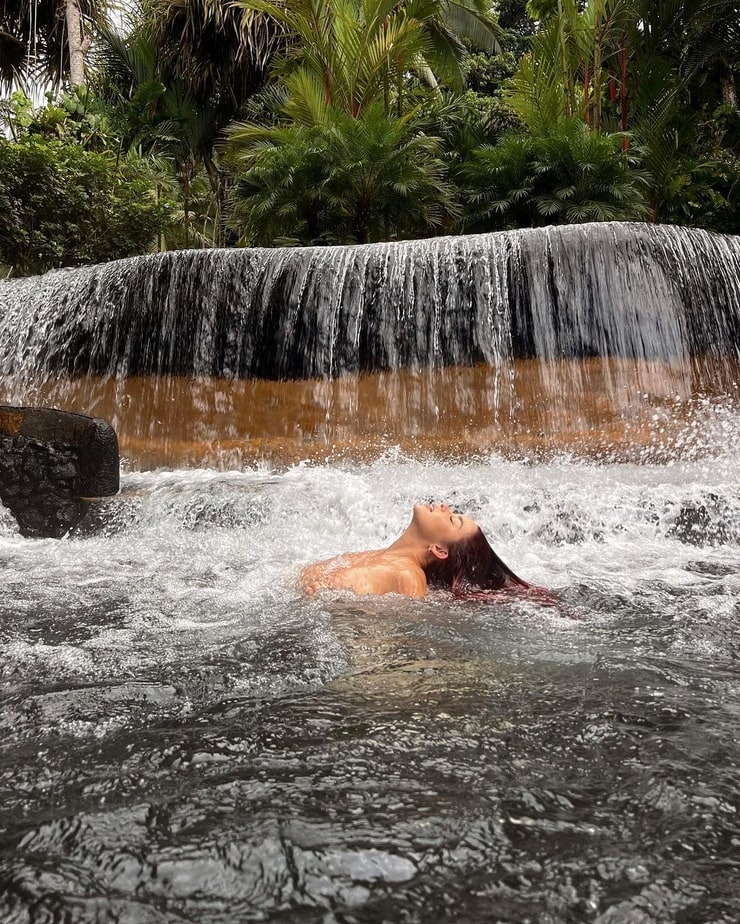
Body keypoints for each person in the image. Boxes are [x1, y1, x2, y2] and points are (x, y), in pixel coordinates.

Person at [301, 502, 539, 600]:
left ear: (440, 549)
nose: (446, 507)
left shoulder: (411, 578)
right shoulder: (373, 554)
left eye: (453, 520)